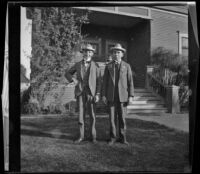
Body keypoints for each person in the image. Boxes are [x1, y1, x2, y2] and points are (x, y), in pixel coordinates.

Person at [65, 44, 101, 144]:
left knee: (92, 116)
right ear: (83, 53)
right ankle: (81, 136)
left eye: (90, 52)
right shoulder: (77, 64)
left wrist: (97, 94)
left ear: (92, 54)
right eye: (85, 51)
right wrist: (74, 80)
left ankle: (93, 137)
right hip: (80, 93)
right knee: (81, 115)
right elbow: (67, 73)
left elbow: (99, 81)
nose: (87, 53)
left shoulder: (96, 66)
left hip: (92, 93)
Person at [102, 43, 134, 145]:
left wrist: (131, 96)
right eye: (114, 52)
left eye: (118, 52)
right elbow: (105, 82)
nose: (116, 54)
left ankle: (123, 138)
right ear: (112, 54)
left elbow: (130, 82)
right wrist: (103, 95)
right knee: (112, 119)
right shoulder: (108, 66)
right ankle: (112, 138)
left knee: (122, 119)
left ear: (122, 54)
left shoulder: (127, 66)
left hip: (123, 97)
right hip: (111, 96)